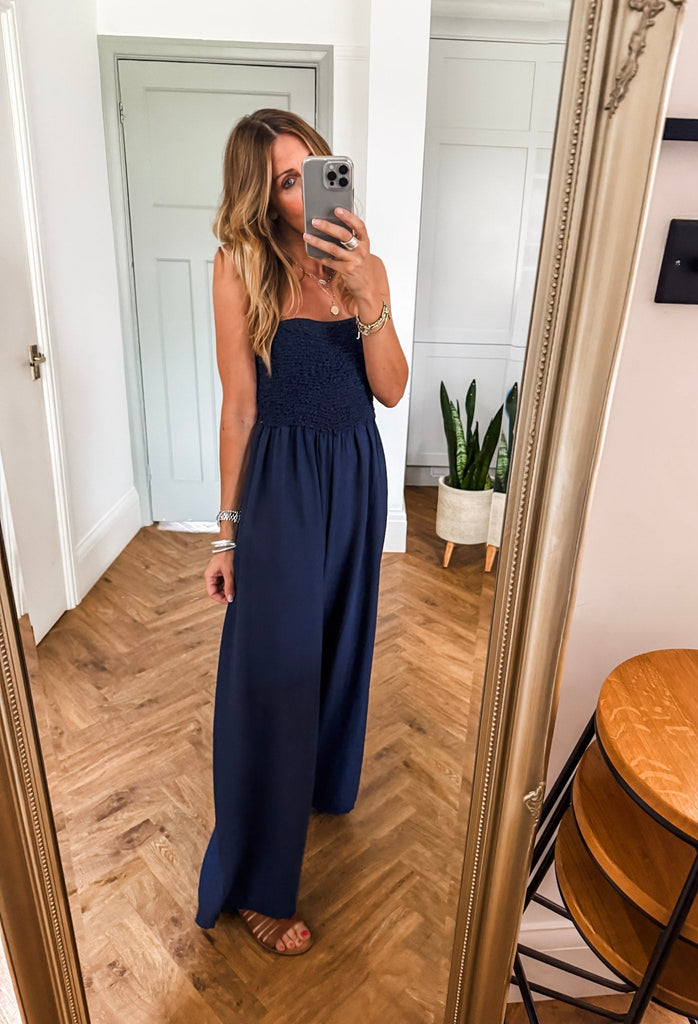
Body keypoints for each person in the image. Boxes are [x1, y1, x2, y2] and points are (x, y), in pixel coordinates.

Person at [194, 109, 408, 956]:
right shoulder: (238, 267)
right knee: (274, 672)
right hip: (281, 481)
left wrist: (367, 298)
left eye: (312, 167)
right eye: (287, 179)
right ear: (261, 194)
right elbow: (238, 409)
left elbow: (390, 389)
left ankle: (318, 784)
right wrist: (225, 535)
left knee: (342, 644)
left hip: (356, 473)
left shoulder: (364, 265)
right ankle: (257, 880)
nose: (305, 188)